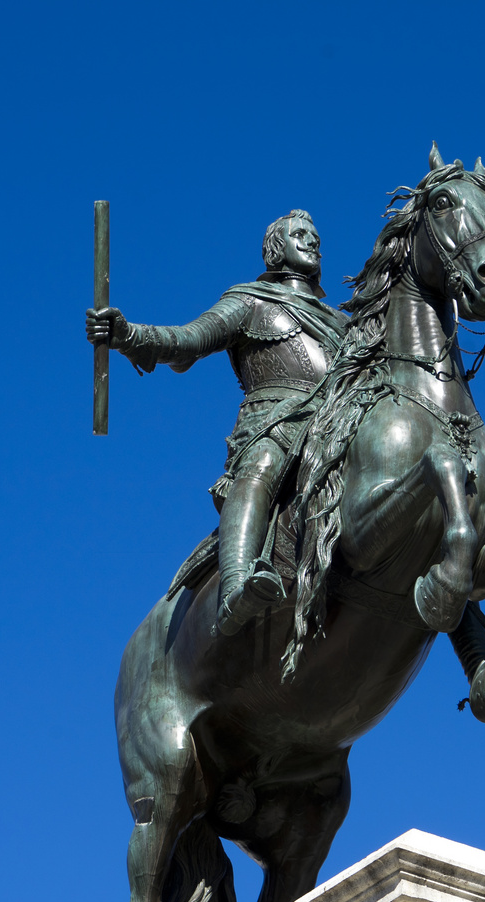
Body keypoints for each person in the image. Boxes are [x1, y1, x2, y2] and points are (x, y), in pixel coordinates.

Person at [86, 210, 346, 635]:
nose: (312, 241)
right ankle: (235, 591)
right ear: (276, 247)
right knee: (260, 467)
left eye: (316, 236)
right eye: (300, 234)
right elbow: (188, 339)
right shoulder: (249, 301)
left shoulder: (343, 324)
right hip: (275, 423)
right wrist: (128, 336)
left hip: (336, 425)